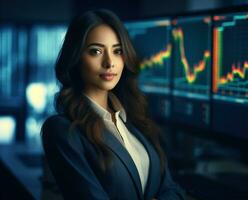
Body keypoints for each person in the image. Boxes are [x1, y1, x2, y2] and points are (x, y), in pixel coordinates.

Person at [41, 9, 185, 200]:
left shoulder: (134, 119)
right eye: (96, 51)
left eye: (117, 51)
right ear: (76, 58)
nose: (109, 62)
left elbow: (172, 189)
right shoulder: (62, 130)